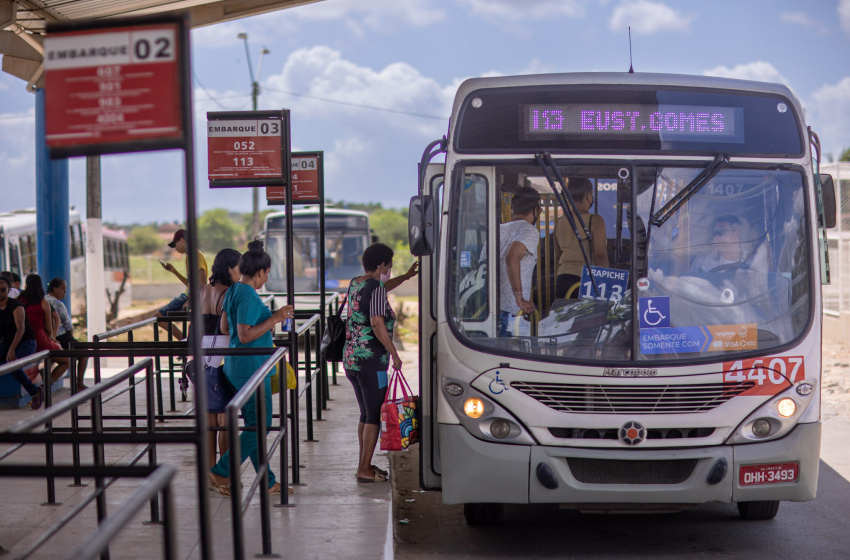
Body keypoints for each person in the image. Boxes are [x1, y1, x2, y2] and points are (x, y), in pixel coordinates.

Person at [208, 240, 294, 497]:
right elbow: (244, 335)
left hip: (237, 367)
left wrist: (266, 324)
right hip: (252, 369)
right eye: (267, 272)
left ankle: (267, 481)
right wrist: (275, 318)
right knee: (261, 426)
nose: (267, 277)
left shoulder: (233, 290)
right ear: (260, 272)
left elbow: (226, 329)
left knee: (256, 425)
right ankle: (222, 469)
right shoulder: (246, 293)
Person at [342, 242, 417, 483]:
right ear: (381, 264)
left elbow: (382, 287)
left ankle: (364, 463)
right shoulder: (374, 288)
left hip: (352, 360)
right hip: (371, 362)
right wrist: (394, 352)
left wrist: (405, 278)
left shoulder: (357, 283)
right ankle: (364, 468)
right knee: (373, 414)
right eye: (389, 266)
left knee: (366, 414)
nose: (390, 270)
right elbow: (376, 323)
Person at [197, 248, 241, 470]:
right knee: (225, 419)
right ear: (230, 268)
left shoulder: (204, 289)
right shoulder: (232, 292)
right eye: (238, 267)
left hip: (202, 358)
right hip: (223, 357)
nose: (241, 272)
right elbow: (228, 329)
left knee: (209, 421)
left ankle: (209, 472)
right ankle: (223, 472)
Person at [554, 177, 609, 299]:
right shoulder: (596, 220)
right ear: (588, 196)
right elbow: (600, 255)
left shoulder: (559, 222)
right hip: (586, 280)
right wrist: (606, 281)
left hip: (562, 280)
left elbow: (558, 256)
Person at [498, 186, 542, 337]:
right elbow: (511, 258)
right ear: (536, 210)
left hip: (492, 310)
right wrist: (520, 298)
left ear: (513, 209)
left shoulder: (498, 229)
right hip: (512, 314)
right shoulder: (529, 230)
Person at [156, 229, 209, 340]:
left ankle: (184, 342)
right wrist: (174, 271)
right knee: (160, 317)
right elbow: (191, 284)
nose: (175, 248)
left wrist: (190, 300)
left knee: (159, 316)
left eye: (175, 244)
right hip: (189, 295)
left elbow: (203, 282)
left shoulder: (195, 255)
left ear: (181, 240)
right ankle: (185, 341)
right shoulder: (190, 257)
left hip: (188, 296)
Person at [17, 274, 70, 384]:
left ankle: (45, 378)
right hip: (40, 340)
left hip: (21, 340)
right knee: (67, 361)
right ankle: (46, 385)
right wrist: (51, 338)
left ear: (26, 285)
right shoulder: (43, 303)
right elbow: (48, 328)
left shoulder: (18, 300)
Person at [0, 275, 43, 409]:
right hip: (7, 342)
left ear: (9, 290)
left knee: (11, 364)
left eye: (3, 290)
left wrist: (12, 349)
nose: (0, 293)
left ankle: (34, 392)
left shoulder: (16, 305)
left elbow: (21, 329)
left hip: (25, 342)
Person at [45, 278, 88, 392]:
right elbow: (67, 324)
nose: (65, 292)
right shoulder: (58, 304)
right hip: (61, 337)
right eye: (63, 289)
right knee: (84, 353)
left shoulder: (43, 300)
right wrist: (70, 333)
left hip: (47, 337)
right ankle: (79, 384)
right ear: (55, 289)